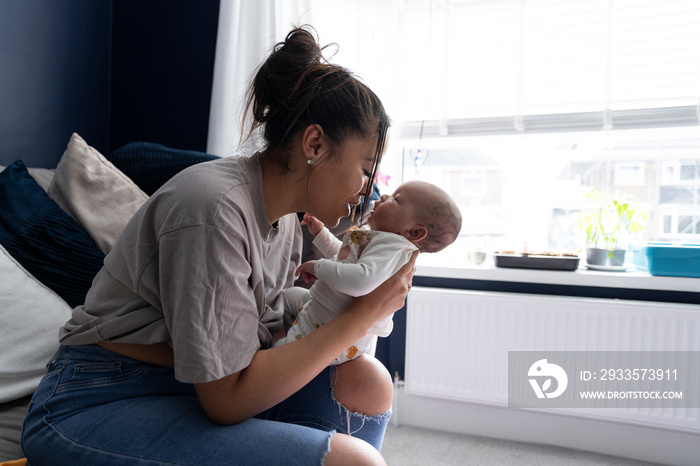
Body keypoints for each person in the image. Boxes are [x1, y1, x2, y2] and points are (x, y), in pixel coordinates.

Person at [21, 26, 417, 465]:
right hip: (101, 398)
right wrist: (360, 315)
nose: (367, 192)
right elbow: (226, 399)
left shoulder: (284, 221)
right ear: (315, 144)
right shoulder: (213, 209)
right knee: (356, 462)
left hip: (184, 386)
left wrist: (346, 303)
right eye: (365, 169)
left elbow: (260, 344)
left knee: (369, 383)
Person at [276, 181, 462, 365]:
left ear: (414, 232)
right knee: (288, 297)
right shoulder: (382, 241)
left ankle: (280, 347)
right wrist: (320, 233)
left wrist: (318, 268)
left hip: (330, 326)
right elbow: (345, 257)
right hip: (323, 310)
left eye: (396, 199)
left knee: (280, 354)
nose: (384, 196)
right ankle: (289, 330)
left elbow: (359, 280)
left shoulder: (393, 248)